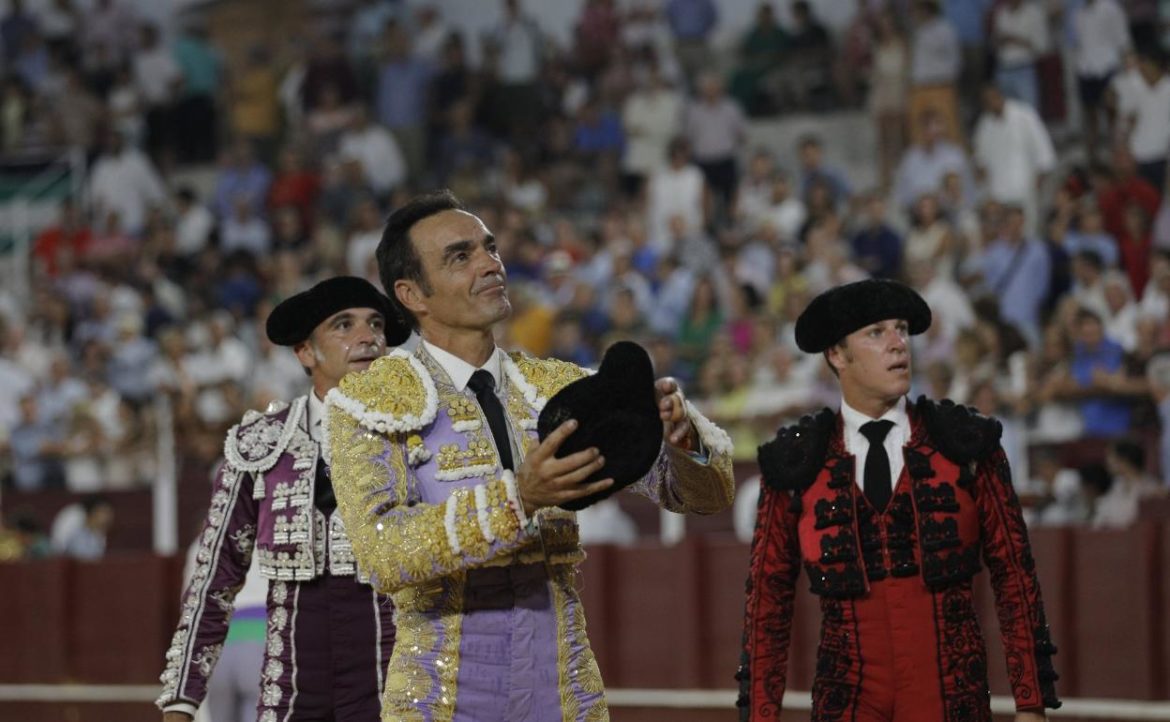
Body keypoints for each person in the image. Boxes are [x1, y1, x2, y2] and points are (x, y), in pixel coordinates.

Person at [324, 190, 736, 721]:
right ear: (412, 294)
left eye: (489, 248)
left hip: (563, 695)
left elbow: (702, 497)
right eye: (460, 256)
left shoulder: (558, 387)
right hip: (442, 702)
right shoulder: (367, 401)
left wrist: (683, 442)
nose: (490, 264)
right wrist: (519, 497)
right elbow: (383, 555)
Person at [738, 278, 1060, 721]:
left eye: (902, 329)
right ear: (837, 355)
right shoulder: (796, 464)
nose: (898, 345)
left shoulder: (965, 444)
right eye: (876, 333)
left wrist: (1031, 703)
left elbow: (1014, 574)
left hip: (951, 701)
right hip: (848, 703)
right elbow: (768, 602)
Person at [156, 277, 408, 722]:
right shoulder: (260, 445)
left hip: (395, 681)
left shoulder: (413, 437)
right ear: (306, 352)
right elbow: (215, 576)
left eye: (376, 324)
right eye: (344, 325)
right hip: (290, 685)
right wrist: (183, 700)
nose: (368, 337)